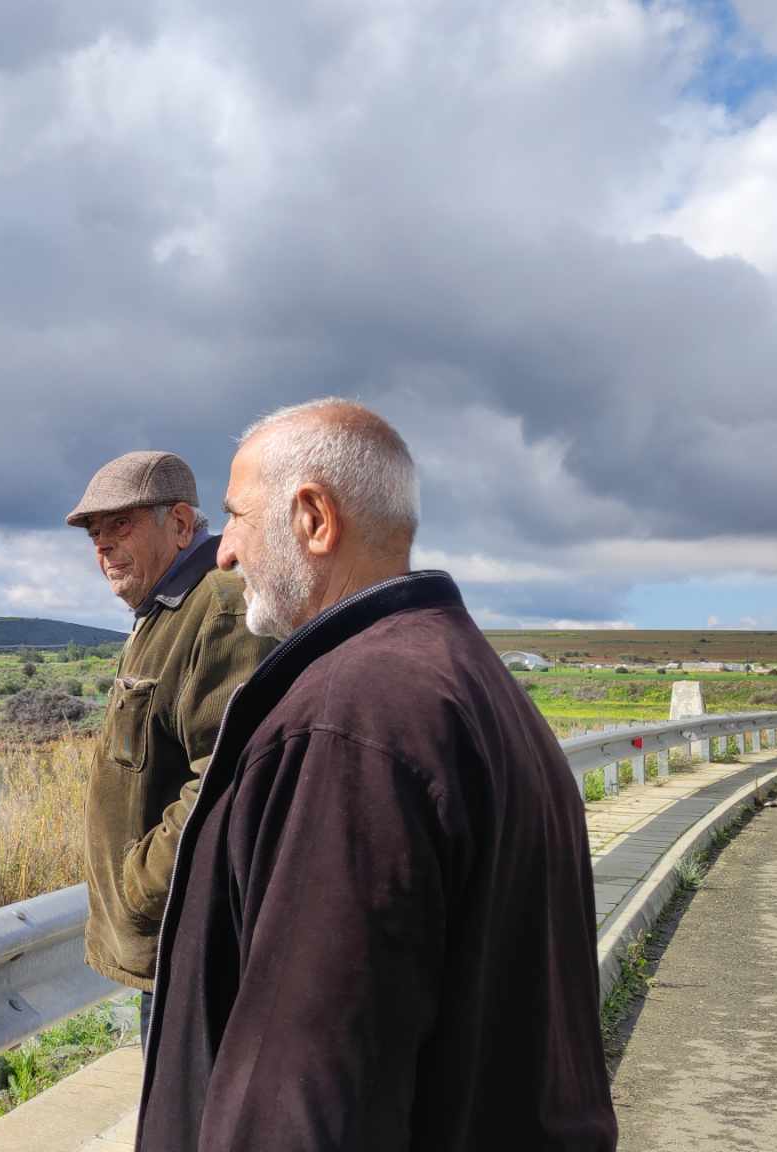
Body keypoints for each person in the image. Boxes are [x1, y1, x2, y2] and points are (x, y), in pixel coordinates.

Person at [138, 400, 616, 1150]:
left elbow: (305, 1087)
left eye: (236, 517)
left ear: (313, 520)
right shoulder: (477, 686)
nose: (224, 554)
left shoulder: (349, 722)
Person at [64, 451, 278, 1049]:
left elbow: (227, 779)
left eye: (121, 524)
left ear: (181, 524)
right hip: (167, 944)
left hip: (191, 946)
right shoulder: (164, 611)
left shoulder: (221, 608)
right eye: (94, 533)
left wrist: (140, 888)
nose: (103, 546)